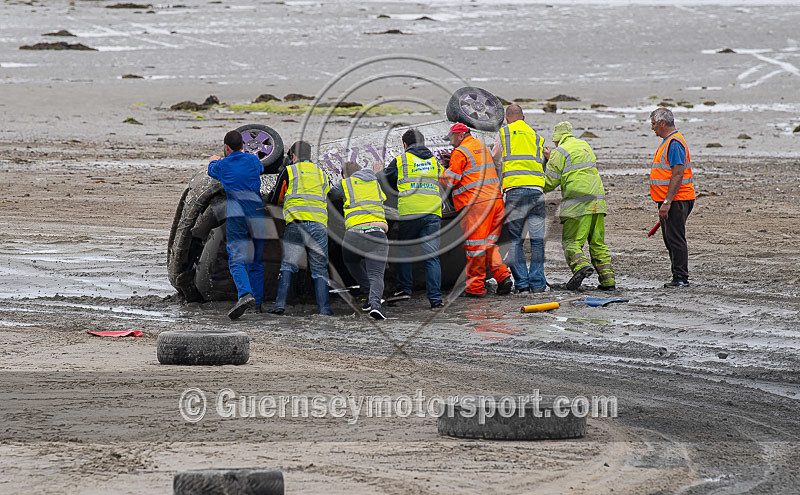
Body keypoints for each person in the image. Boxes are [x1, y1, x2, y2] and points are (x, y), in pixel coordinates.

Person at [442, 123, 512, 297]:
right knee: (489, 244)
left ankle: (475, 287)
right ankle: (503, 276)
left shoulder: (460, 152)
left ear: (459, 136)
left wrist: (441, 171)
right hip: (495, 202)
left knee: (475, 247)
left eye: (451, 138)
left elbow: (451, 180)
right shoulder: (481, 147)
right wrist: (452, 159)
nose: (451, 142)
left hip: (476, 204)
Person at [543, 121, 616, 291]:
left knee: (571, 242)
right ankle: (608, 282)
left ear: (556, 139)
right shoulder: (584, 145)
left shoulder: (559, 152)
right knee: (598, 243)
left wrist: (548, 162)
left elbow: (549, 183)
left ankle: (580, 267)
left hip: (577, 204)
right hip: (598, 201)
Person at [379, 129, 444, 310]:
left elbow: (383, 179)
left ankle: (404, 289)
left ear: (405, 145)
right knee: (432, 258)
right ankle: (436, 300)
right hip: (432, 213)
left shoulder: (401, 160)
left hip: (411, 212)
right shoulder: (434, 161)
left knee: (405, 250)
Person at [267, 141, 333, 315]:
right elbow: (326, 195)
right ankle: (324, 309)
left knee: (288, 265)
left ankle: (280, 305)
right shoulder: (321, 173)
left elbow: (275, 197)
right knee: (319, 269)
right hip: (318, 225)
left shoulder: (289, 171)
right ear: (310, 156)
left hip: (296, 225)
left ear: (293, 156)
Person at [207, 130, 267, 319]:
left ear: (226, 147)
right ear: (243, 145)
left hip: (237, 214)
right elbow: (261, 168)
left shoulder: (222, 165)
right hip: (257, 213)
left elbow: (211, 170)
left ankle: (244, 294)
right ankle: (257, 304)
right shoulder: (252, 160)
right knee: (256, 261)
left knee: (237, 260)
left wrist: (212, 159)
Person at [492, 104, 548, 293]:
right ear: (523, 118)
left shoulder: (504, 133)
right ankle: (538, 284)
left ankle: (522, 284)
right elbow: (541, 163)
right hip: (536, 191)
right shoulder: (536, 136)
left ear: (507, 119)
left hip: (515, 191)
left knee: (515, 239)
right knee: (537, 240)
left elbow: (496, 159)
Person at [329, 161, 389, 320]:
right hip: (377, 232)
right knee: (376, 274)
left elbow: (329, 195)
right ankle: (375, 305)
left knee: (350, 261)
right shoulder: (375, 182)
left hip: (354, 234)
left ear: (344, 175)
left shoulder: (345, 183)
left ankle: (367, 290)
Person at [649, 107, 696, 287]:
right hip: (673, 199)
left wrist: (667, 202)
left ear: (662, 123)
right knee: (670, 239)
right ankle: (678, 276)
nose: (652, 128)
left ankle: (681, 278)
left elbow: (678, 174)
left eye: (653, 124)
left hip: (677, 200)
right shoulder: (669, 141)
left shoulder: (674, 143)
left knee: (675, 239)